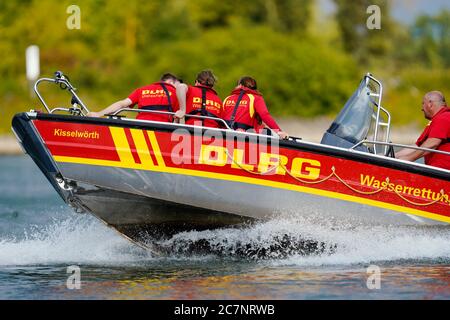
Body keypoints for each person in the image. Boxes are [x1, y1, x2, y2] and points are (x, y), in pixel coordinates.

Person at [87, 73, 181, 122]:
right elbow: (179, 117)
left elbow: (121, 104)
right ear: (170, 82)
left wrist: (99, 114)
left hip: (139, 128)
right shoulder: (175, 92)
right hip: (161, 130)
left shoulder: (142, 90)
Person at [396, 91, 450, 170]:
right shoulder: (435, 121)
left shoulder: (444, 117)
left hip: (442, 173)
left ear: (430, 104)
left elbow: (432, 144)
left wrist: (408, 159)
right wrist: (394, 156)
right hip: (434, 171)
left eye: (423, 103)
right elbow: (417, 146)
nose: (422, 108)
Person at [221, 76, 289, 139]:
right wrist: (279, 132)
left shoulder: (228, 98)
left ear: (240, 85)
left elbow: (223, 117)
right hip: (245, 135)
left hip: (225, 134)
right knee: (269, 133)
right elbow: (264, 115)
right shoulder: (256, 98)